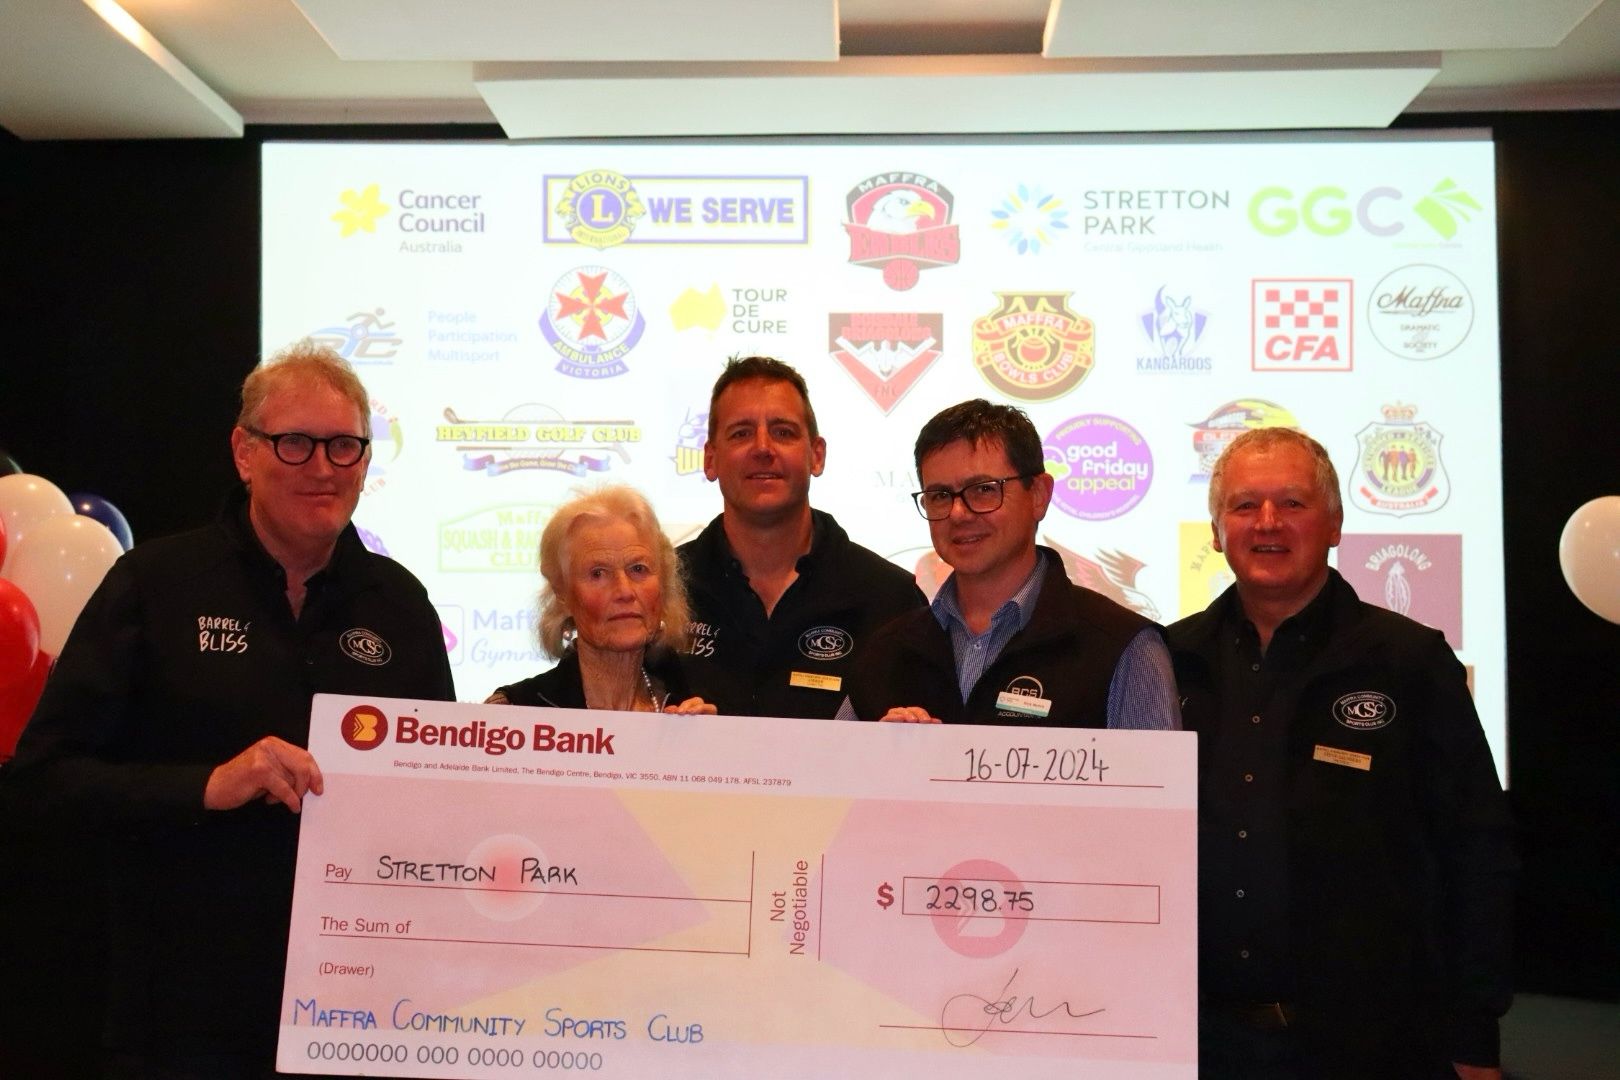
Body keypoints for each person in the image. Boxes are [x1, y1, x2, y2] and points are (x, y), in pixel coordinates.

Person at [1, 341, 456, 1078]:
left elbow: (440, 798)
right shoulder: (155, 585)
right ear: (244, 453)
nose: (322, 468)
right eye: (296, 443)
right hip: (186, 1017)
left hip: (363, 1015)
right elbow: (43, 781)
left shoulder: (400, 606)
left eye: (345, 447)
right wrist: (205, 787)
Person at [1167, 427, 1515, 1079]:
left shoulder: (1407, 662)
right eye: (1244, 505)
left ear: (1334, 524)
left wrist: (1474, 1033)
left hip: (1363, 1044)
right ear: (1216, 531)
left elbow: (1477, 849)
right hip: (1197, 1040)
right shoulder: (1168, 661)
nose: (1267, 523)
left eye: (1292, 503)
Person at [843, 399, 1179, 728]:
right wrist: (876, 758)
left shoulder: (1124, 649)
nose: (959, 513)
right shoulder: (886, 652)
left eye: (984, 489)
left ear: (1038, 496)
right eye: (940, 495)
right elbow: (829, 779)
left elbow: (1158, 783)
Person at [678, 356, 925, 718]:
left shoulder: (890, 600)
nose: (763, 448)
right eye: (741, 433)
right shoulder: (660, 590)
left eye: (783, 432)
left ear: (816, 455)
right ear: (711, 459)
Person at [487, 485, 714, 714]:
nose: (624, 591)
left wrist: (709, 742)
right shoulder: (514, 713)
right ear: (562, 593)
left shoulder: (694, 699)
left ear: (663, 584)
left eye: (638, 569)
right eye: (598, 574)